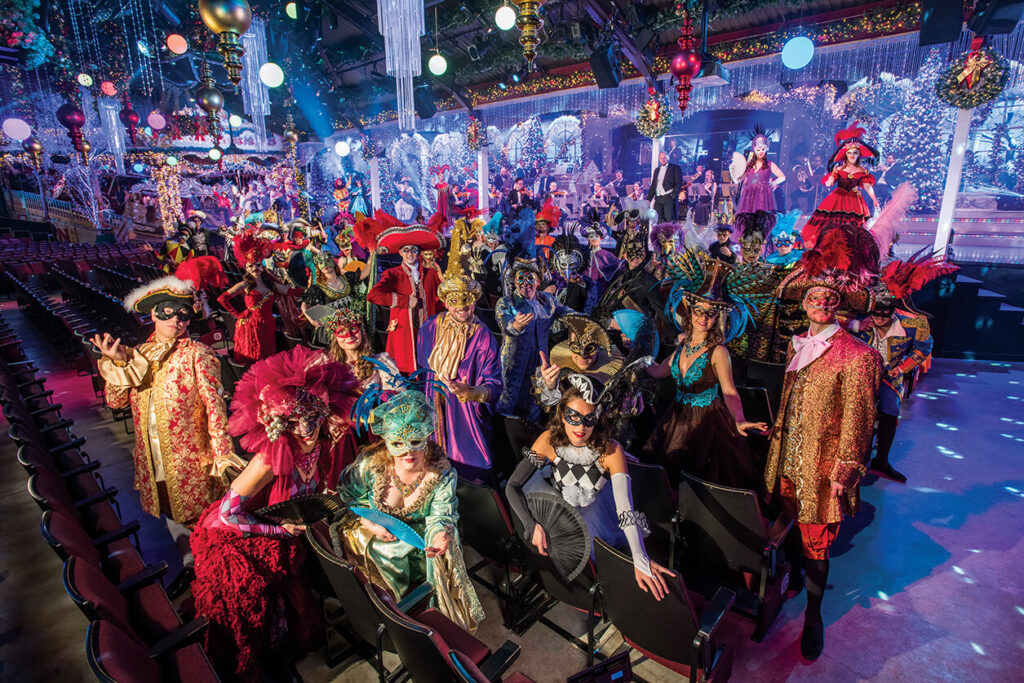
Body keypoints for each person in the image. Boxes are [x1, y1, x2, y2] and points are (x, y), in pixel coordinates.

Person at [189, 346, 361, 681]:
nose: (306, 429)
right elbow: (227, 515)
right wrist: (279, 532)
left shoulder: (321, 447)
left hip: (285, 536)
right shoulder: (269, 459)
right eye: (294, 421)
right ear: (280, 423)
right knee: (264, 619)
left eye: (313, 418)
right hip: (240, 540)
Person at [765, 246, 883, 661]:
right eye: (813, 296)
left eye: (829, 298)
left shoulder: (860, 356)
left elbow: (860, 419)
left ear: (839, 305)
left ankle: (813, 617)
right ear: (804, 301)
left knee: (817, 543)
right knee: (790, 524)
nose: (820, 303)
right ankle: (794, 578)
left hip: (822, 467)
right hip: (788, 459)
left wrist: (845, 470)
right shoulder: (797, 345)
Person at [92, 277, 243, 599]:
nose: (176, 319)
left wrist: (222, 454)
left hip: (192, 458)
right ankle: (189, 566)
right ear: (153, 314)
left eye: (184, 314)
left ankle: (213, 579)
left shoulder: (198, 353)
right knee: (170, 512)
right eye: (168, 311)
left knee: (202, 520)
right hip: (153, 457)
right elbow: (115, 402)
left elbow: (215, 406)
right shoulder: (138, 354)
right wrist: (117, 363)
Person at [505, 383, 673, 598]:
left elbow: (625, 510)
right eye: (574, 417)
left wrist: (640, 559)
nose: (581, 427)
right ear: (562, 415)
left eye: (589, 419)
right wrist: (531, 525)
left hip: (597, 518)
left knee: (612, 574)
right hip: (560, 514)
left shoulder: (611, 451)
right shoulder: (548, 440)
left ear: (598, 418)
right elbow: (513, 486)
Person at [335, 390, 485, 630]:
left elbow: (442, 514)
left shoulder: (441, 474)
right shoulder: (369, 465)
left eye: (415, 441)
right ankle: (386, 615)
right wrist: (370, 523)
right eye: (398, 444)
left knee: (441, 551)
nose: (408, 452)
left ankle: (420, 619)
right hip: (376, 536)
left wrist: (440, 533)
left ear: (426, 436)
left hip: (419, 543)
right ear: (386, 442)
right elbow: (348, 498)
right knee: (383, 551)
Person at [641, 254, 769, 489]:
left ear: (717, 317)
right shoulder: (682, 347)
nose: (703, 317)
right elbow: (658, 371)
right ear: (690, 312)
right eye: (698, 311)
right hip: (677, 417)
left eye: (710, 313)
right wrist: (637, 354)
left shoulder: (719, 352)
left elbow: (729, 391)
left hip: (707, 422)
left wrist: (739, 419)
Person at [417, 229, 502, 479]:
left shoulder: (482, 336)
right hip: (433, 415)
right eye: (455, 300)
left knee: (467, 476)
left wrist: (473, 392)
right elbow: (421, 373)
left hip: (465, 419)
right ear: (446, 302)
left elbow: (495, 384)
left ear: (474, 301)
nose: (462, 306)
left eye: (467, 299)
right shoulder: (430, 327)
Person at [361, 212, 444, 374]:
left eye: (413, 250)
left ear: (419, 252)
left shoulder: (431, 274)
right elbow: (373, 295)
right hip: (404, 333)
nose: (409, 253)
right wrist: (405, 301)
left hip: (429, 331)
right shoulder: (393, 274)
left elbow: (441, 300)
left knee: (430, 369)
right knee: (405, 371)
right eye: (405, 250)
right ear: (399, 252)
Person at [495, 258, 574, 422]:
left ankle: (533, 428)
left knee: (535, 400)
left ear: (538, 282)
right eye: (520, 278)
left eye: (530, 278)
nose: (525, 283)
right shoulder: (506, 302)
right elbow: (505, 325)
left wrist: (591, 321)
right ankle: (504, 429)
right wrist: (516, 325)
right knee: (508, 398)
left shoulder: (547, 300)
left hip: (539, 362)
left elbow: (568, 313)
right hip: (513, 362)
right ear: (514, 282)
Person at [801, 122, 882, 250]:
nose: (852, 155)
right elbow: (828, 184)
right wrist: (830, 179)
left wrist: (874, 199)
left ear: (859, 154)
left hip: (854, 201)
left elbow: (867, 186)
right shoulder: (838, 169)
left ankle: (848, 249)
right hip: (837, 199)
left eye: (855, 152)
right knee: (830, 225)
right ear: (846, 154)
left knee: (852, 227)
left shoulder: (863, 171)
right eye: (850, 153)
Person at [217, 230, 293, 364]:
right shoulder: (245, 284)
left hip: (267, 324)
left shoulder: (270, 284)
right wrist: (238, 314)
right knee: (255, 358)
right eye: (251, 266)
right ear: (246, 268)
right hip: (251, 326)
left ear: (262, 266)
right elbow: (222, 299)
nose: (255, 268)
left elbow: (291, 292)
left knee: (268, 358)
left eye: (257, 265)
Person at [733, 128, 786, 219]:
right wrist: (733, 173)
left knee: (760, 219)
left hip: (762, 197)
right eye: (758, 149)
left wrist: (772, 184)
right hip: (749, 197)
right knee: (749, 219)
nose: (761, 151)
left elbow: (782, 177)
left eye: (763, 149)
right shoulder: (749, 165)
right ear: (754, 150)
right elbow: (738, 180)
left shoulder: (769, 164)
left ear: (766, 149)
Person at [647, 151, 682, 222]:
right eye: (661, 158)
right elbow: (653, 185)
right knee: (658, 220)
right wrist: (648, 199)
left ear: (668, 158)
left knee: (669, 220)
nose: (663, 160)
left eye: (664, 158)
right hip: (658, 198)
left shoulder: (675, 168)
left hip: (668, 197)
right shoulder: (657, 170)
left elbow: (679, 183)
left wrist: (673, 195)